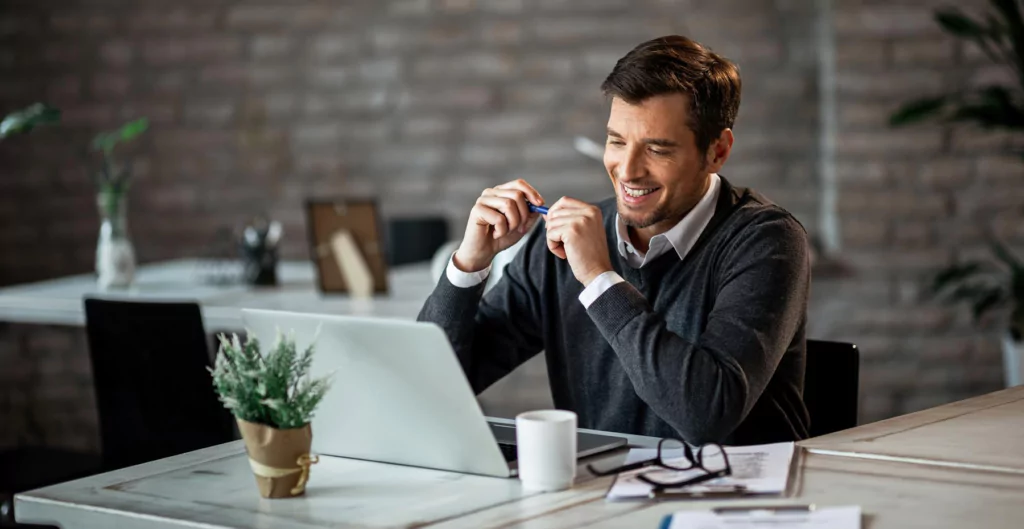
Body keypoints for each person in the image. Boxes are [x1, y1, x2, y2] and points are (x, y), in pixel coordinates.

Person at [418, 35, 811, 445]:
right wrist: (469, 265)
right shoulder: (559, 242)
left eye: (657, 149)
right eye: (616, 141)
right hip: (603, 494)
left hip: (735, 499)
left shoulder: (767, 241)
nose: (627, 170)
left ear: (717, 151)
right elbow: (429, 390)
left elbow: (705, 414)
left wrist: (599, 278)